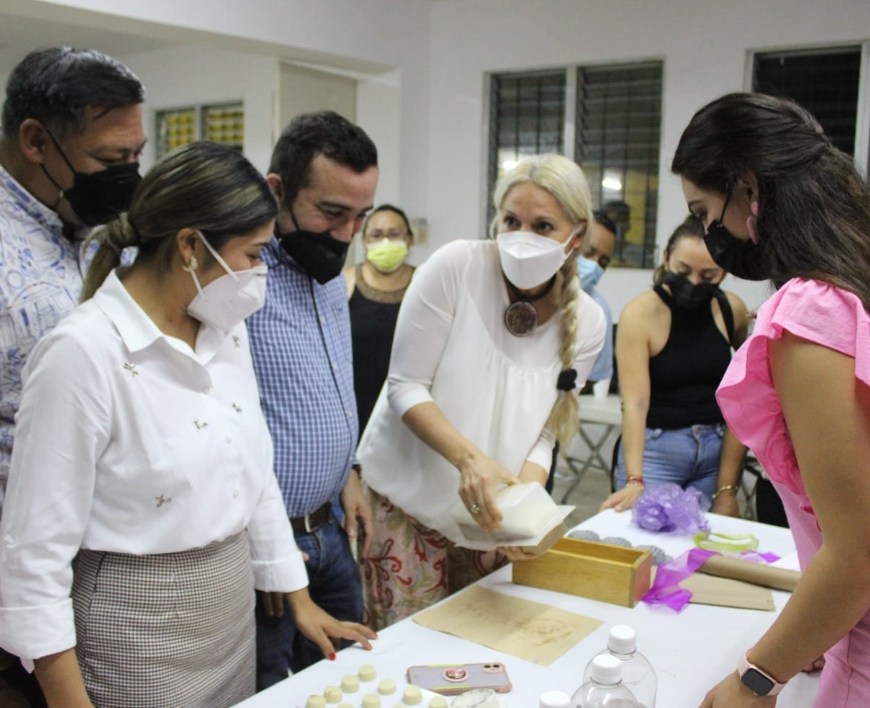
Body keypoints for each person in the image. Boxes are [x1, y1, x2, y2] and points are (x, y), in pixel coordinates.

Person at [0, 141, 372, 707]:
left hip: (227, 619)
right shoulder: (82, 354)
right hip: (137, 632)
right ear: (191, 246)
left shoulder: (222, 328)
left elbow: (255, 472)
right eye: (253, 255)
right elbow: (34, 556)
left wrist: (298, 597)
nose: (260, 273)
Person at [673, 92, 870, 706]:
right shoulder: (857, 285)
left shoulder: (812, 310)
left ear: (749, 187)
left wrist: (756, 678)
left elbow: (857, 552)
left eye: (705, 211)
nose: (710, 234)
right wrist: (816, 625)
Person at [359, 153, 607, 629]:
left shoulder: (589, 322)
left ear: (575, 237)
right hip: (408, 507)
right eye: (511, 221)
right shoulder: (457, 266)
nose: (522, 237)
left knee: (481, 646)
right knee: (409, 649)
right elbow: (405, 386)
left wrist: (526, 504)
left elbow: (545, 433)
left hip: (491, 519)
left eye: (543, 226)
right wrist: (469, 460)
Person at [0, 46, 146, 707]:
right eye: (112, 160)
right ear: (36, 141)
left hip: (107, 574)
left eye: (136, 155)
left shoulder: (99, 231)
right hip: (23, 580)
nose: (128, 176)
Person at [248, 110, 379, 689]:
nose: (347, 234)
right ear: (277, 190)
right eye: (332, 212)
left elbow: (329, 385)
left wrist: (348, 472)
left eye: (361, 216)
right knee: (277, 689)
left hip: (331, 530)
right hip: (272, 545)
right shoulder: (241, 278)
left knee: (348, 681)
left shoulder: (328, 275)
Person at [600, 214, 750, 513]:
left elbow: (743, 395)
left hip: (715, 450)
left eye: (708, 276)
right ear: (666, 257)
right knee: (647, 537)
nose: (693, 283)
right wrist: (634, 479)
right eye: (683, 270)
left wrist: (727, 489)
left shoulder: (730, 309)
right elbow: (635, 404)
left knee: (704, 540)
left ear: (724, 271)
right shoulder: (639, 314)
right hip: (657, 450)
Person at [344, 204, 416, 437]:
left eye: (394, 234)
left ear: (410, 239)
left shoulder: (424, 282)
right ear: (364, 241)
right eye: (376, 235)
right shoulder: (344, 282)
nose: (385, 242)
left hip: (410, 412)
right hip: (354, 409)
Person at [579, 210, 618, 386]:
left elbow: (592, 377)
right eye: (588, 252)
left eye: (603, 262)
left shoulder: (599, 311)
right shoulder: (532, 287)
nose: (594, 265)